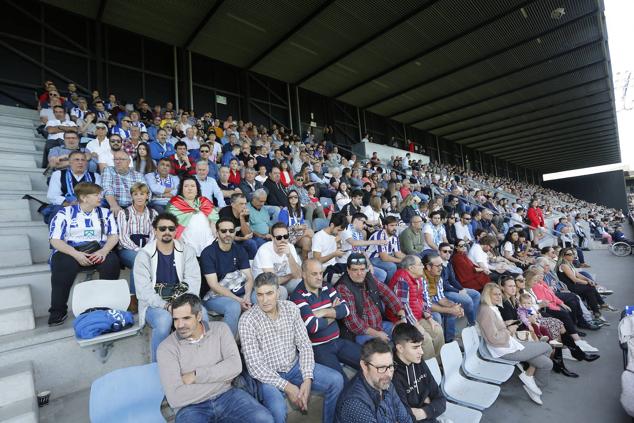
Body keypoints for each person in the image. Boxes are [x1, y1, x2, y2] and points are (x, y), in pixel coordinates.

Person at [239, 272, 344, 423]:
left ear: (278, 292)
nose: (264, 300)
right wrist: (288, 387)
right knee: (278, 411)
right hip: (269, 376)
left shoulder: (291, 308)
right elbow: (255, 367)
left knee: (336, 380)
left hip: (295, 366)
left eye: (269, 293)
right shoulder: (247, 320)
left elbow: (304, 344)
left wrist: (307, 378)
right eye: (260, 295)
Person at [157, 293, 273, 423]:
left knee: (264, 419)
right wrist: (223, 380)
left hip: (228, 396)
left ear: (199, 316)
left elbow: (235, 366)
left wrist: (196, 376)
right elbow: (175, 397)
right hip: (190, 408)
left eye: (186, 318)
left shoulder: (220, 330)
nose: (179, 325)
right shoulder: (166, 348)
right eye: (176, 319)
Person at [134, 212, 205, 361]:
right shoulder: (144, 255)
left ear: (176, 231)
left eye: (171, 228)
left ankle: (202, 358)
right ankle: (157, 365)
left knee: (202, 315)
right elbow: (143, 291)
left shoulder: (187, 251)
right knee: (164, 321)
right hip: (155, 304)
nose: (167, 232)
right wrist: (166, 305)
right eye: (162, 228)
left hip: (183, 299)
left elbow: (193, 280)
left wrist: (183, 304)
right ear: (155, 231)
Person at [47, 183, 120, 325]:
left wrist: (104, 251)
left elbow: (114, 236)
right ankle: (57, 311)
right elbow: (55, 240)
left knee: (111, 261)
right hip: (70, 250)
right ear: (84, 198)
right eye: (96, 195)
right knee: (62, 264)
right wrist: (76, 254)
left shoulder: (105, 213)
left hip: (97, 249)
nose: (100, 197)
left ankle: (106, 306)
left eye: (100, 194)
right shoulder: (65, 213)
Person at [478, 283, 552, 405]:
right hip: (504, 350)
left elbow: (496, 329)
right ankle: (530, 380)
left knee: (547, 364)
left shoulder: (492, 308)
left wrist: (507, 325)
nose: (499, 297)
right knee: (547, 347)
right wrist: (508, 330)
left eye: (499, 294)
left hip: (511, 344)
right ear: (487, 295)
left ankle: (531, 380)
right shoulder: (486, 311)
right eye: (495, 294)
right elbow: (493, 338)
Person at [290, 259, 362, 381]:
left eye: (320, 273)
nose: (319, 277)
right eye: (314, 274)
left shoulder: (326, 287)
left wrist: (324, 312)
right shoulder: (297, 296)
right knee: (342, 381)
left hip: (337, 341)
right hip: (318, 348)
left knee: (370, 361)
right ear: (304, 274)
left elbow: (346, 310)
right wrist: (334, 313)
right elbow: (313, 326)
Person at [334, 338, 412, 423]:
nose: (389, 374)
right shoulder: (354, 403)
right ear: (364, 366)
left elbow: (406, 419)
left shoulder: (384, 381)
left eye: (390, 366)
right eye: (381, 368)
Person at [200, 218, 254, 337]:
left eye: (231, 230)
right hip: (213, 296)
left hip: (237, 290)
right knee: (233, 306)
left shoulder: (239, 250)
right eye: (223, 231)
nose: (228, 234)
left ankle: (259, 339)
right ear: (217, 232)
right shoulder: (208, 253)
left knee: (260, 297)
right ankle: (228, 346)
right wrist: (239, 300)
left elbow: (249, 277)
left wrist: (247, 296)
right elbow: (214, 285)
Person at [336, 253, 405, 345]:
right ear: (348, 270)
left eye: (362, 269)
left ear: (366, 269)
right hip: (360, 333)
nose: (359, 273)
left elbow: (388, 294)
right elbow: (352, 321)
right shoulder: (343, 287)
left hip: (380, 325)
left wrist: (402, 317)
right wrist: (377, 334)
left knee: (404, 335)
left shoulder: (369, 277)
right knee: (383, 347)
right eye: (354, 270)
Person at [387, 255, 445, 359]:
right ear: (411, 268)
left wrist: (429, 318)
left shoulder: (418, 278)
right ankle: (430, 368)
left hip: (416, 316)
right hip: (403, 320)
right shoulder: (402, 280)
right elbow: (403, 306)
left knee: (437, 330)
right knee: (425, 339)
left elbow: (423, 300)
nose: (423, 266)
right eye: (420, 264)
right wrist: (416, 324)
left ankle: (440, 363)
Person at [392, 323, 447, 423]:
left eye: (421, 346)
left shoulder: (418, 361)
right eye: (415, 347)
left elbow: (441, 401)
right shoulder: (392, 374)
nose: (421, 352)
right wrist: (428, 405)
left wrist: (422, 411)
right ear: (400, 348)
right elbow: (405, 417)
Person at [117, 182, 157, 312]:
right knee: (138, 260)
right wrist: (138, 250)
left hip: (147, 248)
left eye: (142, 194)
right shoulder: (124, 213)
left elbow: (153, 235)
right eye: (136, 194)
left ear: (147, 196)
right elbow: (123, 238)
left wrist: (146, 250)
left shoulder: (153, 213)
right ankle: (134, 298)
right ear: (131, 196)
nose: (139, 197)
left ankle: (155, 293)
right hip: (128, 250)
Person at [557, 247, 614, 321]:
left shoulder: (569, 264)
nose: (573, 255)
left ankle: (597, 311)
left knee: (590, 289)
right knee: (590, 288)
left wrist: (588, 279)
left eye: (573, 254)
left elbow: (578, 275)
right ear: (564, 256)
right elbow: (574, 279)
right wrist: (587, 282)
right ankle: (599, 307)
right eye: (570, 254)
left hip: (573, 285)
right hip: (569, 287)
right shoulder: (563, 265)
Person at [166, 175, 217, 257]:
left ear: (197, 189)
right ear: (181, 189)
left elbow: (214, 220)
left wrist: (214, 226)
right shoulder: (174, 204)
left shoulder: (204, 201)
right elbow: (169, 224)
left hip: (209, 244)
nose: (189, 188)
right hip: (185, 246)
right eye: (186, 186)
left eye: (193, 186)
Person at [421, 252, 464, 343]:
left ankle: (449, 340)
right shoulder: (422, 278)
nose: (441, 268)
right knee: (437, 316)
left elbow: (441, 298)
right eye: (438, 266)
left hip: (430, 303)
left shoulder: (438, 277)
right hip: (421, 308)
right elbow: (426, 304)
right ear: (428, 267)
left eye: (441, 265)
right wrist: (449, 310)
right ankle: (438, 344)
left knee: (451, 309)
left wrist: (454, 306)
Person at [252, 223, 302, 298]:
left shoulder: (290, 247)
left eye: (285, 236)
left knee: (300, 283)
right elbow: (272, 281)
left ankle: (297, 305)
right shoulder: (264, 250)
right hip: (263, 287)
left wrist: (289, 255)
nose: (283, 240)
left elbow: (298, 275)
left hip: (283, 282)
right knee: (282, 291)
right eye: (279, 237)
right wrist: (291, 276)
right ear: (272, 238)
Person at [438, 242, 480, 326]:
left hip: (451, 288)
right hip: (443, 292)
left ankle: (471, 320)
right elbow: (443, 285)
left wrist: (461, 288)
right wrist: (458, 291)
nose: (448, 254)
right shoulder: (437, 264)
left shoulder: (448, 263)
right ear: (439, 252)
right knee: (467, 300)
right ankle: (472, 323)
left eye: (450, 252)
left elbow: (453, 280)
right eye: (445, 251)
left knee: (476, 294)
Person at [101, 150, 147, 215]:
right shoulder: (108, 170)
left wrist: (136, 207)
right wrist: (114, 205)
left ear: (129, 162)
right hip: (112, 204)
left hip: (133, 205)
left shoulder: (138, 175)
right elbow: (107, 188)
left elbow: (146, 191)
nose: (118, 162)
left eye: (122, 159)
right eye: (116, 159)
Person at [368, 215, 406, 284]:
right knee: (392, 266)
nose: (394, 228)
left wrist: (408, 259)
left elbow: (398, 253)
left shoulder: (394, 236)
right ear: (385, 226)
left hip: (383, 258)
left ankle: (398, 286)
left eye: (395, 225)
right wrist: (400, 260)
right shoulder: (379, 235)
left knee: (406, 264)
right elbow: (384, 257)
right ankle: (387, 287)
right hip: (373, 259)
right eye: (392, 225)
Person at [277, 189, 313, 260]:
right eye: (291, 197)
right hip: (288, 236)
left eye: (295, 197)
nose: (293, 199)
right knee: (309, 231)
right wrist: (296, 227)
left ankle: (305, 264)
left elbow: (301, 224)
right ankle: (317, 252)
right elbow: (282, 229)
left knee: (307, 241)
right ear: (288, 199)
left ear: (298, 198)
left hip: (298, 235)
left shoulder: (300, 210)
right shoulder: (284, 211)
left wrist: (303, 226)